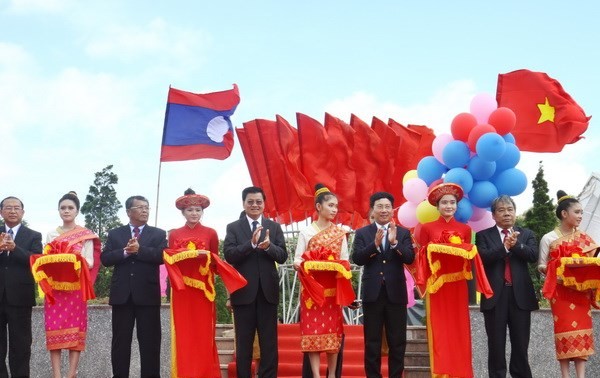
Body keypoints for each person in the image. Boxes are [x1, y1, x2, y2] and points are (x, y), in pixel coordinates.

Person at [164, 189, 246, 378]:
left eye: (198, 210)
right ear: (183, 212)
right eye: (191, 210)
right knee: (184, 334)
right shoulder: (175, 234)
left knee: (204, 334)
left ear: (203, 212)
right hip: (182, 290)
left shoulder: (210, 233)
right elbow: (170, 258)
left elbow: (215, 261)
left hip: (204, 290)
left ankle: (204, 373)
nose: (194, 213)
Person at [415, 183, 491, 378]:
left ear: (457, 205)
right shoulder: (427, 228)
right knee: (440, 331)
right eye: (444, 203)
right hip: (437, 286)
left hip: (458, 286)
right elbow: (422, 256)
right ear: (437, 206)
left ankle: (461, 372)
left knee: (459, 329)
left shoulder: (465, 229)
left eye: (452, 202)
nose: (448, 206)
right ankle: (441, 373)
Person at [223, 186, 288, 378]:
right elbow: (229, 255)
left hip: (268, 292)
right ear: (244, 203)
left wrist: (269, 247)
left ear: (264, 204)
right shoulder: (234, 227)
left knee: (269, 342)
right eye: (250, 201)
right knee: (244, 342)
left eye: (258, 201)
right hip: (243, 293)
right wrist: (250, 244)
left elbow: (283, 256)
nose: (254, 205)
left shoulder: (274, 227)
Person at [100, 195, 167, 378]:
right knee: (120, 343)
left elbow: (163, 256)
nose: (145, 210)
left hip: (147, 295)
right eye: (140, 207)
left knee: (150, 342)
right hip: (122, 295)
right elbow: (105, 259)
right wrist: (124, 252)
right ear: (129, 211)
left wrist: (140, 250)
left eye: (147, 207)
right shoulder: (115, 233)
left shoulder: (158, 233)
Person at [293, 184, 354, 378]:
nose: (335, 209)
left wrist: (334, 266)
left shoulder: (339, 234)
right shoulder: (306, 232)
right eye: (331, 205)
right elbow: (297, 261)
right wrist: (312, 265)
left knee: (332, 336)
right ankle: (316, 375)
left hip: (332, 293)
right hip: (312, 292)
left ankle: (332, 374)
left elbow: (344, 261)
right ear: (318, 207)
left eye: (336, 206)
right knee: (313, 334)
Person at [352, 191, 415, 378]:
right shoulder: (363, 233)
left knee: (397, 341)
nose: (384, 210)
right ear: (373, 209)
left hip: (396, 294)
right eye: (380, 206)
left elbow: (410, 258)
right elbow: (357, 259)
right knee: (372, 342)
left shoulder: (403, 233)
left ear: (392, 210)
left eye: (387, 206)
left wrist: (395, 243)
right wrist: (375, 245)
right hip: (373, 294)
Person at [475, 195, 539, 378]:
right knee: (496, 344)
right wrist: (504, 247)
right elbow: (484, 257)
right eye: (501, 210)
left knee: (520, 344)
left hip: (520, 296)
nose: (506, 214)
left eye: (510, 210)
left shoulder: (526, 234)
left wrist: (516, 245)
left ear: (515, 213)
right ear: (493, 215)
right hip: (495, 296)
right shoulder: (483, 236)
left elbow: (533, 256)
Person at [538, 190, 599, 378]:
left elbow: (593, 264)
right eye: (577, 212)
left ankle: (581, 376)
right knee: (563, 332)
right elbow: (541, 265)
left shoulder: (585, 239)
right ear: (565, 214)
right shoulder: (548, 238)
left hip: (581, 293)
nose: (581, 216)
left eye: (581, 213)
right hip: (560, 293)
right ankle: (565, 375)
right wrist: (558, 270)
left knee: (582, 334)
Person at [39, 192, 100, 378]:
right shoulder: (51, 234)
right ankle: (56, 374)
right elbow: (45, 259)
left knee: (76, 331)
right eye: (63, 208)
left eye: (70, 208)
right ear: (58, 210)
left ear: (77, 211)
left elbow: (89, 261)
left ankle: (71, 374)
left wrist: (71, 259)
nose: (66, 211)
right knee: (54, 329)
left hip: (75, 287)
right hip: (55, 288)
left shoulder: (86, 235)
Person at [0, 196, 43, 377]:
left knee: (21, 345)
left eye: (16, 207)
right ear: (1, 212)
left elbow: (36, 261)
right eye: (8, 207)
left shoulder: (33, 235)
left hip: (20, 297)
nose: (12, 211)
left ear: (22, 212)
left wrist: (15, 248)